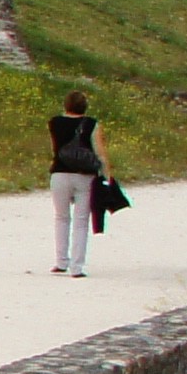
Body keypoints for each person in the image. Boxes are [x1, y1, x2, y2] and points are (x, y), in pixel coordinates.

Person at [50, 92, 107, 275]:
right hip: (85, 175)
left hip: (59, 173)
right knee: (81, 221)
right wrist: (107, 175)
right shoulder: (92, 124)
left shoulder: (54, 123)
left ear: (66, 105)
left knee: (61, 217)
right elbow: (100, 152)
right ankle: (77, 266)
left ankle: (61, 261)